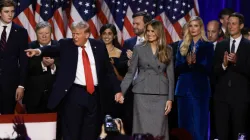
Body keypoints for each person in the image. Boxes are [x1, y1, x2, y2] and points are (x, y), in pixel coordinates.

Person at [25, 21, 124, 140]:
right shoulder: (66, 44)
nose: (74, 37)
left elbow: (109, 71)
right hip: (74, 94)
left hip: (95, 96)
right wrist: (38, 51)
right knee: (72, 132)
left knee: (90, 132)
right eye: (73, 34)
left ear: (87, 35)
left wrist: (117, 91)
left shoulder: (99, 46)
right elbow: (52, 49)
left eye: (77, 34)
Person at [121, 20, 174, 140]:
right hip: (142, 93)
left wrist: (170, 99)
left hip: (161, 94)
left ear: (159, 32)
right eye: (148, 31)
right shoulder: (138, 48)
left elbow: (171, 76)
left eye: (152, 31)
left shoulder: (168, 49)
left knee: (159, 129)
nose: (149, 33)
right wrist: (121, 92)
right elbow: (131, 73)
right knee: (142, 128)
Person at [175, 16, 214, 140]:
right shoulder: (182, 44)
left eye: (196, 26)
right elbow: (177, 68)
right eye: (190, 26)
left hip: (200, 91)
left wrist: (195, 63)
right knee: (184, 127)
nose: (193, 29)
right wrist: (187, 63)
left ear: (201, 28)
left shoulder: (207, 46)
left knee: (199, 127)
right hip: (183, 90)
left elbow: (209, 69)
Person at [213, 12, 250, 140]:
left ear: (241, 26)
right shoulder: (221, 44)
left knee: (239, 133)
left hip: (240, 98)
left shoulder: (248, 46)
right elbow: (214, 71)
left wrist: (236, 63)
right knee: (222, 133)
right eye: (229, 23)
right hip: (222, 98)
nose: (230, 26)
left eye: (234, 24)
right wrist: (223, 65)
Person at [119, 11, 152, 135]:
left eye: (137, 24)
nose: (134, 26)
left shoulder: (155, 42)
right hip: (131, 92)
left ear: (147, 24)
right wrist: (129, 63)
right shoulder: (129, 43)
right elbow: (120, 66)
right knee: (130, 123)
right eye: (133, 23)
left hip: (149, 91)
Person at [23, 21, 58, 114]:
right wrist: (42, 64)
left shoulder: (59, 46)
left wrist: (53, 65)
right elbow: (25, 68)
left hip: (56, 97)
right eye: (40, 33)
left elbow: (66, 67)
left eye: (46, 33)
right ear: (36, 34)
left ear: (51, 33)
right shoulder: (29, 47)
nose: (44, 36)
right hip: (34, 97)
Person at [0, 0, 28, 114]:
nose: (10, 14)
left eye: (12, 11)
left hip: (10, 84)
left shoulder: (21, 32)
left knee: (7, 117)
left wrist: (21, 85)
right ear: (0, 13)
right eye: (6, 11)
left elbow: (24, 61)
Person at [99, 24, 123, 118]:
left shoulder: (120, 53)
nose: (106, 36)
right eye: (104, 33)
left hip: (114, 91)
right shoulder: (95, 51)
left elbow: (122, 78)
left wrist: (112, 66)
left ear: (114, 36)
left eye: (109, 33)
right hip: (98, 90)